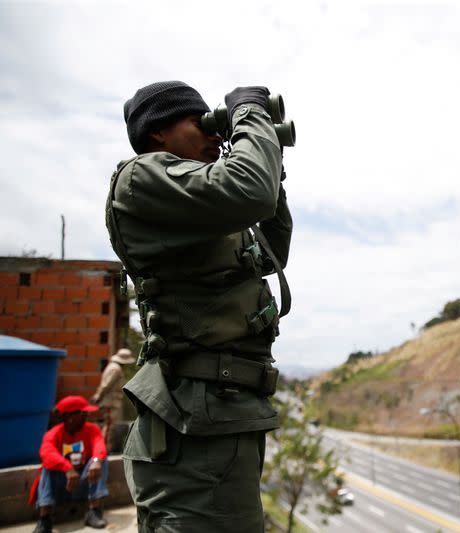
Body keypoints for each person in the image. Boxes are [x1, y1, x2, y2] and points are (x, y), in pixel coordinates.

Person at [105, 81, 292, 532]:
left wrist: (271, 163)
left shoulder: (195, 210)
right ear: (158, 133)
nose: (214, 133)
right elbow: (250, 194)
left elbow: (271, 255)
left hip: (218, 415)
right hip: (196, 422)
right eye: (201, 122)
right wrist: (249, 116)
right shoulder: (142, 177)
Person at [32, 396, 109, 533]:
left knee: (100, 460)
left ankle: (94, 511)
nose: (86, 415)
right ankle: (44, 519)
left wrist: (96, 461)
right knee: (47, 467)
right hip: (62, 486)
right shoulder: (53, 434)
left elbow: (99, 445)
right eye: (82, 413)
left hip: (84, 482)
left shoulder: (92, 429)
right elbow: (47, 453)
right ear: (69, 417)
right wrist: (67, 468)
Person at [91, 347, 136, 446]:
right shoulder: (116, 369)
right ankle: (104, 448)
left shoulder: (112, 366)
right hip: (111, 402)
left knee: (109, 425)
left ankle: (105, 447)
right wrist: (98, 395)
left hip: (111, 401)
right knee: (109, 427)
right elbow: (106, 385)